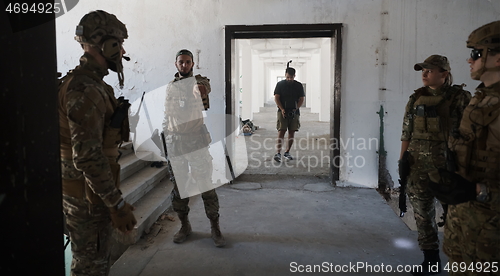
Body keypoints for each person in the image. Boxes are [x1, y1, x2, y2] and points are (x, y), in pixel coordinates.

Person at [58, 10, 137, 276]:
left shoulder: (91, 84)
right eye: (119, 43)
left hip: (85, 193)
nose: (122, 50)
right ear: (107, 44)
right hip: (87, 198)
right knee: (91, 267)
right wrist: (116, 205)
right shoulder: (86, 89)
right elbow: (88, 158)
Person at [399, 55, 471, 276]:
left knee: (456, 215)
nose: (425, 73)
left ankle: (462, 263)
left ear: (444, 73)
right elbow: (407, 132)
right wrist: (402, 161)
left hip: (448, 167)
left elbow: (470, 135)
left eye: (430, 70)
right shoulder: (416, 98)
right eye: (423, 70)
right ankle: (430, 260)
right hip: (417, 165)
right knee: (422, 214)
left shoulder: (460, 98)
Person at [442, 20, 500, 276]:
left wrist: (480, 190)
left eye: (476, 53)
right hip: (467, 221)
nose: (470, 60)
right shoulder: (481, 98)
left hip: (491, 231)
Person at [163, 49, 226, 247]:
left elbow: (204, 86)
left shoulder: (199, 81)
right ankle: (185, 226)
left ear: (192, 64)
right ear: (176, 64)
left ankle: (215, 227)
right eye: (181, 62)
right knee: (179, 189)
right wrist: (165, 138)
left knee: (205, 185)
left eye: (188, 62)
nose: (184, 65)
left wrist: (199, 87)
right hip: (175, 143)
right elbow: (167, 114)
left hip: (195, 142)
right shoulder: (170, 87)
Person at [273, 64, 305, 162]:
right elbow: (276, 98)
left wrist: (296, 109)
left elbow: (301, 99)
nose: (289, 79)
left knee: (292, 132)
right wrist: (282, 109)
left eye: (291, 77)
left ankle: (287, 152)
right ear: (285, 75)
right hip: (282, 111)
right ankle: (278, 153)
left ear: (295, 76)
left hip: (294, 112)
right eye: (287, 77)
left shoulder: (298, 85)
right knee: (281, 131)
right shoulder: (280, 84)